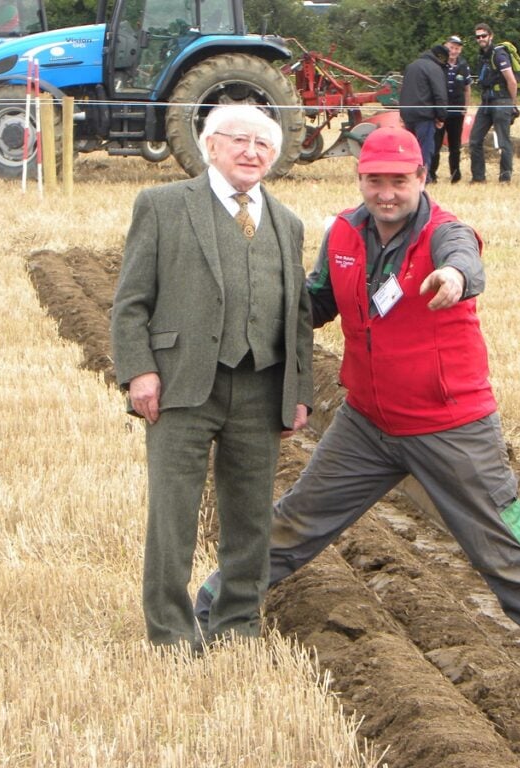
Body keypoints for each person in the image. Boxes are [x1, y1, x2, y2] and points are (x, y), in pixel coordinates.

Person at [195, 126, 520, 713]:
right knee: (292, 524)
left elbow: (467, 264)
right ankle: (206, 612)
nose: (386, 193)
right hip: (366, 423)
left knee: (504, 547)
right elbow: (316, 303)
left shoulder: (446, 234)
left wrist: (453, 278)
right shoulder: (341, 232)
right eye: (374, 181)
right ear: (359, 179)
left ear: (421, 179)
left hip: (451, 425)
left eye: (399, 182)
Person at [111, 104, 313, 654]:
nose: (251, 152)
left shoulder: (287, 222)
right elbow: (131, 301)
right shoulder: (163, 206)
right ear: (210, 146)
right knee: (172, 513)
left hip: (260, 387)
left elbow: (296, 316)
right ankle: (171, 633)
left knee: (250, 518)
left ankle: (237, 626)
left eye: (263, 145)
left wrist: (298, 394)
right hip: (181, 383)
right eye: (239, 140)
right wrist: (140, 371)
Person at [469, 22, 519, 183]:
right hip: (486, 102)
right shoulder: (482, 56)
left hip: (502, 100)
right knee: (474, 140)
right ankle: (478, 178)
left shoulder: (499, 55)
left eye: (483, 35)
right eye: (478, 37)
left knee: (504, 141)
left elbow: (512, 81)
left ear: (490, 36)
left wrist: (513, 104)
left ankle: (505, 178)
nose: (481, 39)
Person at [400, 44, 450, 171]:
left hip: (408, 115)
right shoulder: (434, 68)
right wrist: (441, 117)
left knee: (410, 149)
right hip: (424, 116)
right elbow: (440, 95)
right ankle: (423, 179)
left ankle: (408, 176)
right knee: (425, 149)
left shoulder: (411, 66)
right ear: (441, 57)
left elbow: (403, 91)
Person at [430, 35, 472, 184]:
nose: (453, 51)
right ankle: (432, 175)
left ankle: (455, 175)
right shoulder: (438, 65)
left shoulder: (463, 66)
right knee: (435, 144)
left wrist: (465, 108)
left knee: (455, 146)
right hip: (440, 112)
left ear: (460, 50)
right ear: (445, 47)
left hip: (457, 112)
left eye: (456, 48)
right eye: (451, 48)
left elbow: (467, 89)